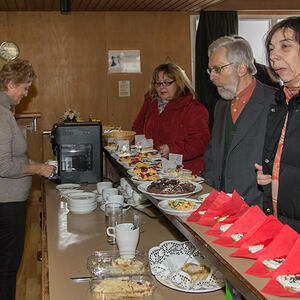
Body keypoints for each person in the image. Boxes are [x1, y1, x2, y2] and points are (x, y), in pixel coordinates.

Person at [0, 59, 55, 300]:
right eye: (24, 88)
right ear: (10, 84)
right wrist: (38, 169)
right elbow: (3, 166)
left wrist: (35, 164)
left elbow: (15, 155)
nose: (25, 94)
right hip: (7, 204)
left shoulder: (6, 112)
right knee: (7, 267)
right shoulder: (1, 115)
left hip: (9, 201)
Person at [202, 36, 276, 207]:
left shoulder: (275, 103)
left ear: (242, 68)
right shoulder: (220, 106)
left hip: (258, 209)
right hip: (221, 205)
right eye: (210, 71)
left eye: (217, 69)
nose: (212, 77)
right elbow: (213, 155)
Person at [255, 16, 300, 233]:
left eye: (285, 46)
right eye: (271, 49)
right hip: (279, 223)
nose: (273, 55)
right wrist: (271, 174)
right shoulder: (281, 102)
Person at [132, 63, 210, 174]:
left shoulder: (194, 108)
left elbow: (200, 142)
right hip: (154, 166)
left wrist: (172, 149)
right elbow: (137, 126)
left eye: (167, 83)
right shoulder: (151, 102)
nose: (161, 87)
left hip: (184, 171)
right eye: (158, 83)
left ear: (179, 83)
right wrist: (142, 144)